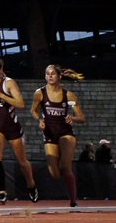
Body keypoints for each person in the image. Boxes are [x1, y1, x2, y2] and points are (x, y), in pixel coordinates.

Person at [0, 56, 39, 204]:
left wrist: (1, 94)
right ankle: (2, 192)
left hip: (12, 127)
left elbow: (21, 103)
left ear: (1, 68)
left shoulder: (8, 83)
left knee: (22, 161)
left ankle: (31, 184)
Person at [30, 64, 86, 207]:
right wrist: (39, 120)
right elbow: (34, 111)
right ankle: (68, 177)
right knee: (55, 173)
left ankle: (73, 200)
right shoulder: (39, 93)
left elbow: (82, 118)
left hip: (66, 133)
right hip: (49, 134)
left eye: (52, 74)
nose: (49, 76)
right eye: (47, 73)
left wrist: (72, 118)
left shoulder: (69, 95)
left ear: (59, 76)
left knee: (65, 167)